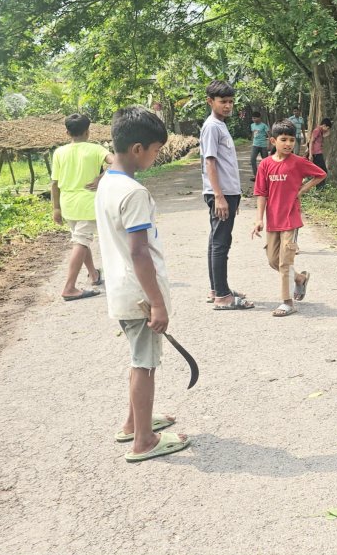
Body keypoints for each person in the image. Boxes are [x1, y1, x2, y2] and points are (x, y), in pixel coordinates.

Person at [95, 105, 190, 462]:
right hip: (140, 294)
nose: (157, 156)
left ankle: (133, 423)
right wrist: (158, 303)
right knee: (145, 364)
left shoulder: (107, 182)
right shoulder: (133, 193)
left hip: (123, 290)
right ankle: (144, 441)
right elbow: (139, 252)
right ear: (138, 149)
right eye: (155, 150)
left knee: (139, 358)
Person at [252, 121, 325, 316]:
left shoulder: (298, 162)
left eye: (292, 140)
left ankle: (287, 302)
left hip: (290, 219)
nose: (288, 144)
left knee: (285, 262)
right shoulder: (265, 165)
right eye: (283, 140)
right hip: (273, 220)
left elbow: (321, 174)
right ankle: (300, 278)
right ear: (273, 141)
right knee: (273, 260)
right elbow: (261, 193)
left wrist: (302, 190)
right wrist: (259, 219)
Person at [200, 80, 254, 310]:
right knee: (221, 243)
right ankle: (223, 297)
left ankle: (217, 289)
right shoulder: (212, 127)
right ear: (210, 101)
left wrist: (233, 195)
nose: (228, 105)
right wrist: (219, 196)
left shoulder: (220, 125)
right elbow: (210, 162)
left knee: (217, 240)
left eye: (231, 101)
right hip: (220, 194)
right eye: (223, 101)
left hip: (228, 193)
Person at [50, 113, 112, 301]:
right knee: (81, 242)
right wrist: (100, 178)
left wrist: (56, 208)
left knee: (81, 240)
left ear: (67, 132)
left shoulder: (59, 152)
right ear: (87, 131)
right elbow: (117, 161)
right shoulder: (96, 149)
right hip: (87, 203)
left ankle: (94, 274)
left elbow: (54, 183)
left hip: (68, 204)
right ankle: (69, 288)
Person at [307, 117, 331, 187]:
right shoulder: (317, 130)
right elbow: (311, 142)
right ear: (324, 125)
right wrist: (310, 154)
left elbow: (322, 137)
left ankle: (319, 186)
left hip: (318, 153)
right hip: (316, 154)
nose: (327, 130)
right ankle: (319, 187)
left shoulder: (321, 131)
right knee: (322, 171)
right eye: (327, 128)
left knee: (322, 171)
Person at [249, 112, 269, 181]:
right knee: (252, 160)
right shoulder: (252, 125)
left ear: (259, 118)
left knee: (265, 161)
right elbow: (253, 134)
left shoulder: (264, 126)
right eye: (252, 118)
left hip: (263, 145)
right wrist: (252, 142)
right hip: (255, 145)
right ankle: (256, 176)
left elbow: (269, 135)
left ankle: (267, 176)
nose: (253, 120)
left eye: (255, 118)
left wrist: (270, 144)